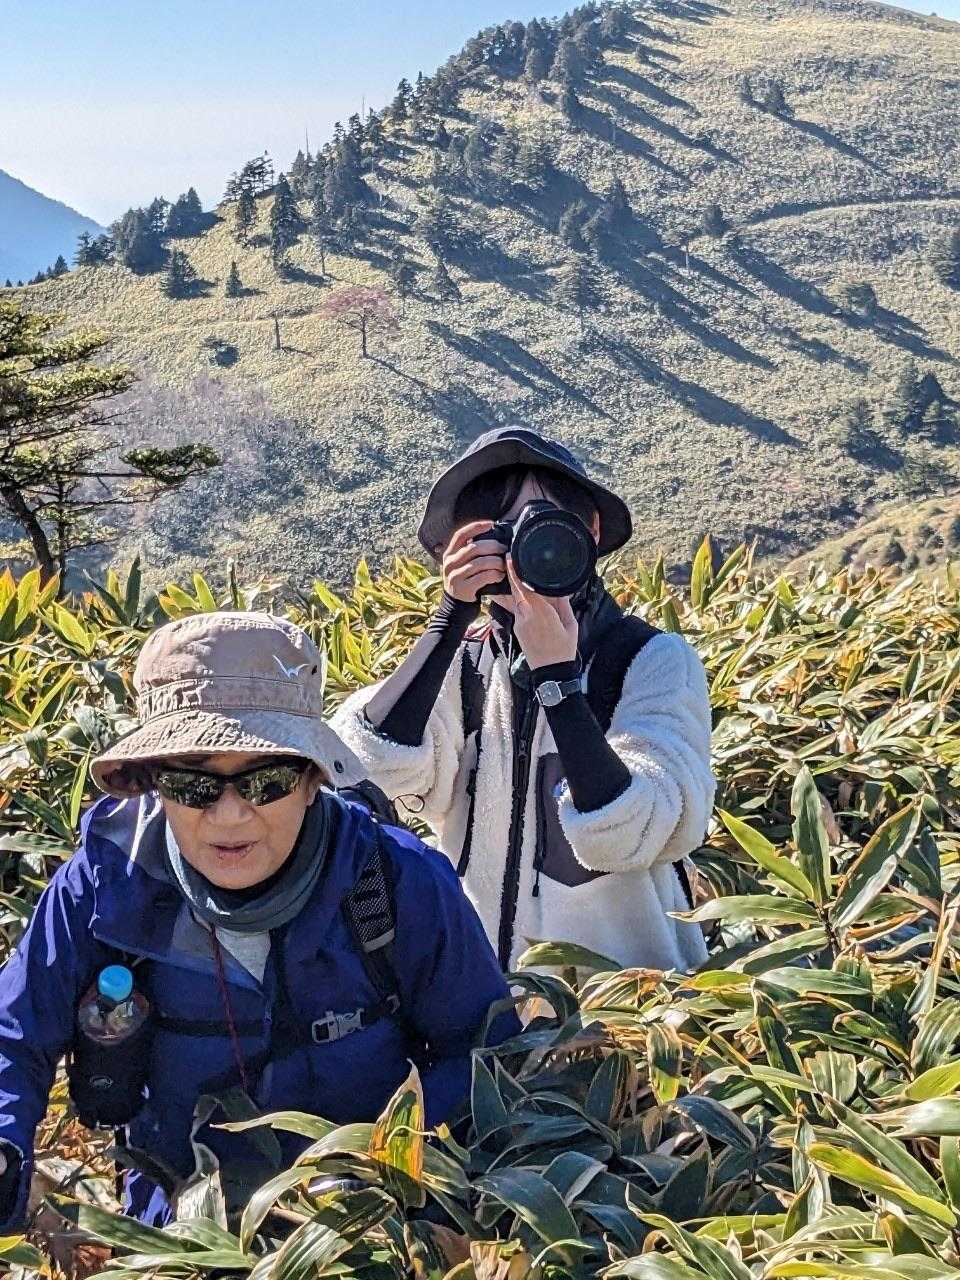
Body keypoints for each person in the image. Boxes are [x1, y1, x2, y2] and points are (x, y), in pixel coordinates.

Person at [0, 611, 518, 1230]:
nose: (229, 816)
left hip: (373, 1226)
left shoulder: (395, 880)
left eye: (266, 781)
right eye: (192, 785)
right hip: (182, 1228)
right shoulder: (106, 885)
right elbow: (14, 1036)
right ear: (154, 783)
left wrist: (381, 1167)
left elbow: (484, 1050)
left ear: (313, 778)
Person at [332, 427, 715, 973]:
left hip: (627, 998)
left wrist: (558, 680)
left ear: (591, 529)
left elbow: (633, 833)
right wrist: (450, 619)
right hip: (484, 993)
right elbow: (364, 772)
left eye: (549, 522)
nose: (527, 548)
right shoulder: (464, 664)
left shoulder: (651, 660)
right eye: (502, 530)